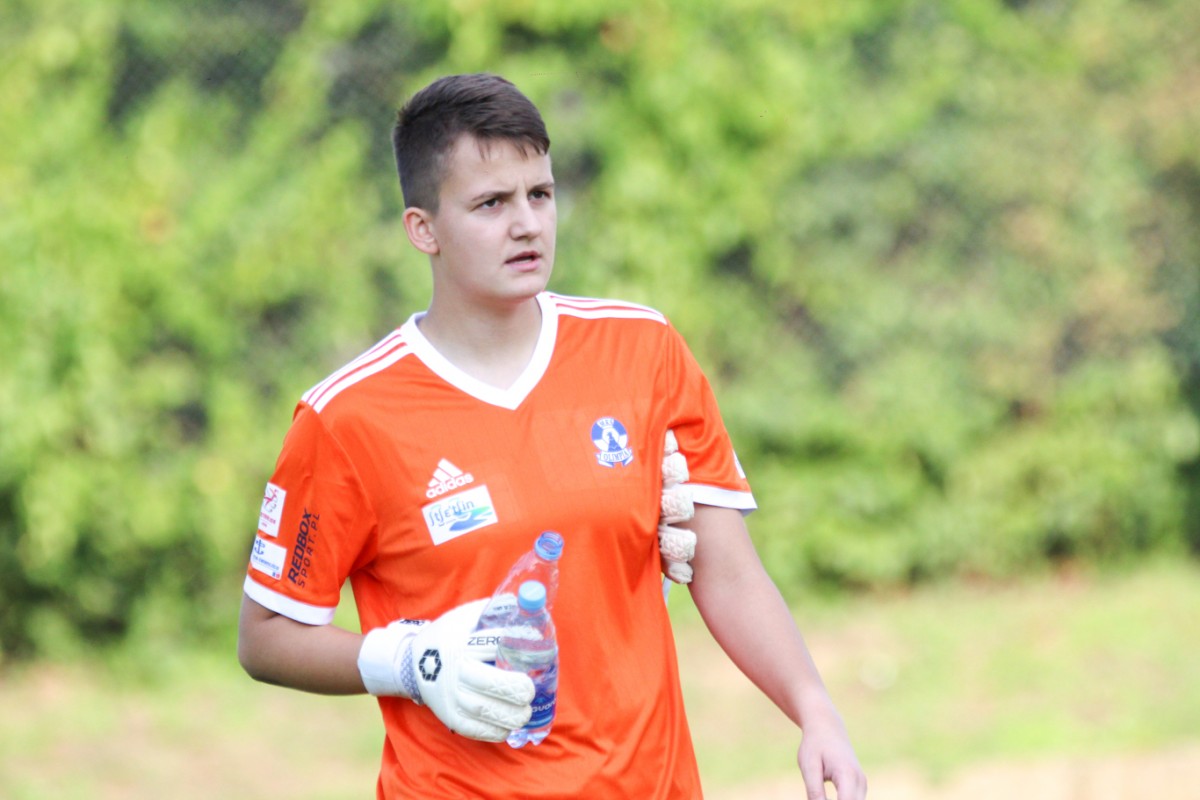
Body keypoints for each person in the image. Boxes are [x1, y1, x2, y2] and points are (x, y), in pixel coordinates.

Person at [237, 72, 866, 800]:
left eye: (540, 194)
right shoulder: (346, 417)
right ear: (423, 229)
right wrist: (410, 661)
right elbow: (266, 636)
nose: (527, 224)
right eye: (491, 203)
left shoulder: (642, 351)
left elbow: (726, 570)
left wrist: (813, 708)